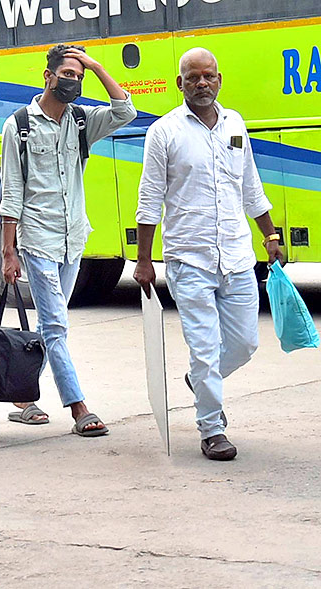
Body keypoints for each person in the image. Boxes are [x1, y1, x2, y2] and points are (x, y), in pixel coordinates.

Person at [134, 48, 282, 461]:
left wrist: (269, 236)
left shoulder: (235, 124)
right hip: (188, 258)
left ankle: (199, 381)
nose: (202, 83)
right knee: (204, 347)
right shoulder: (163, 133)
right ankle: (212, 428)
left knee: (245, 342)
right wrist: (144, 261)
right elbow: (150, 198)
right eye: (193, 77)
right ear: (179, 83)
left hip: (236, 255)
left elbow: (249, 184)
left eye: (209, 76)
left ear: (220, 79)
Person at [0, 44, 136, 436]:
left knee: (50, 324)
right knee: (56, 325)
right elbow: (11, 192)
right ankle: (79, 408)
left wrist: (94, 65)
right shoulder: (19, 125)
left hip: (73, 238)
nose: (74, 81)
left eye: (80, 76)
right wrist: (9, 251)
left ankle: (21, 396)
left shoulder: (81, 121)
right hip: (37, 239)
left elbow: (125, 112)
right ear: (48, 76)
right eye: (69, 74)